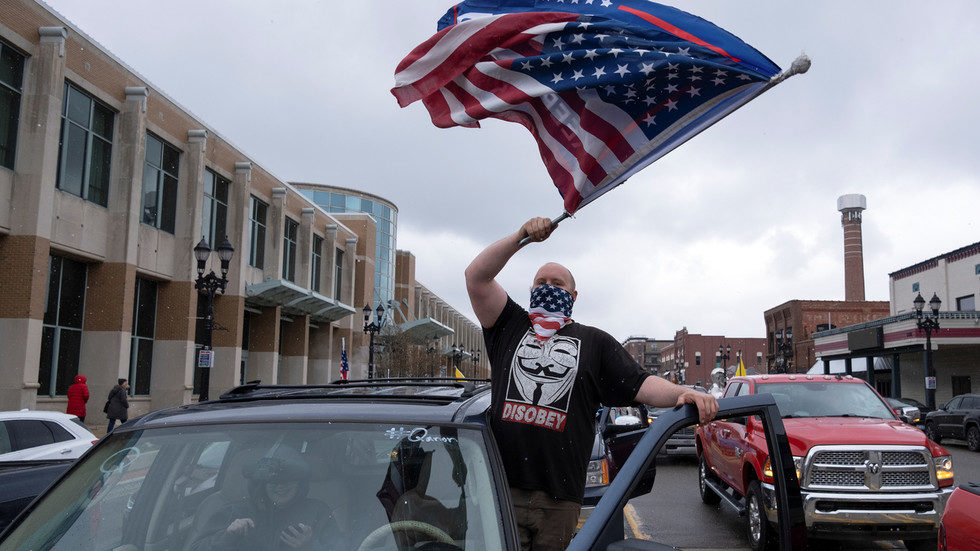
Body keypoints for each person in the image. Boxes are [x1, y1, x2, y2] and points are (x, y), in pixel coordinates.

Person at [465, 216, 718, 551]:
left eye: (557, 283)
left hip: (559, 500)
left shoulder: (595, 343)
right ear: (530, 291)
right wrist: (522, 237)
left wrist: (682, 392)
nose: (548, 286)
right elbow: (476, 276)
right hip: (499, 489)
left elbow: (642, 384)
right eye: (541, 281)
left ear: (574, 295)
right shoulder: (509, 324)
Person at [189, 445, 339, 551]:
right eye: (273, 481)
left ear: (300, 483)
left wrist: (309, 545)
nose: (280, 486)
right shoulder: (233, 511)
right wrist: (228, 536)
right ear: (262, 483)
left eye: (287, 480)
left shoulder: (318, 512)